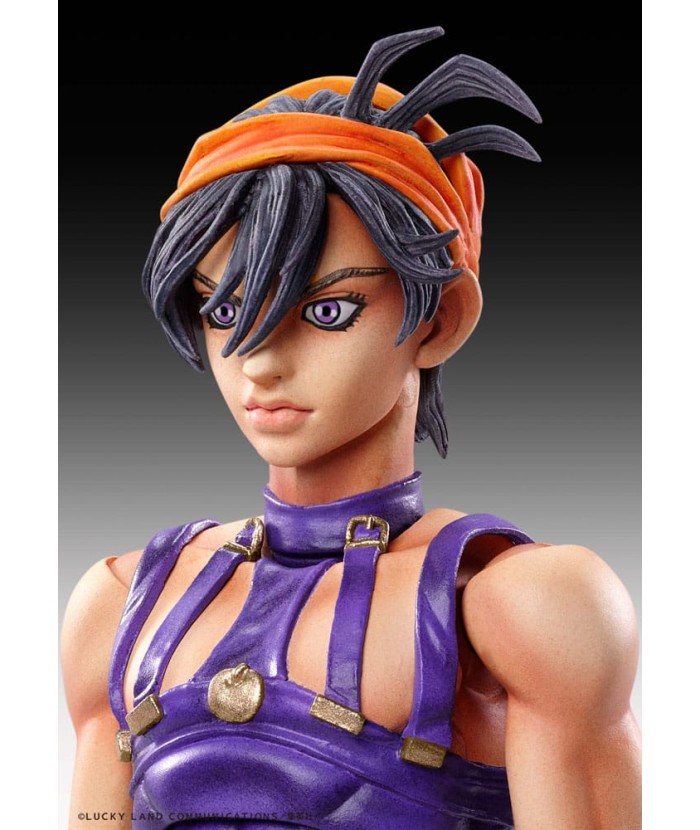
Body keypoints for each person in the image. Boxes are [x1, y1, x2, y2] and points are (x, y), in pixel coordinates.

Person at [61, 27, 641, 830]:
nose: (260, 360)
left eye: (327, 310)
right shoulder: (126, 605)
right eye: (224, 312)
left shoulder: (521, 609)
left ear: (440, 318)